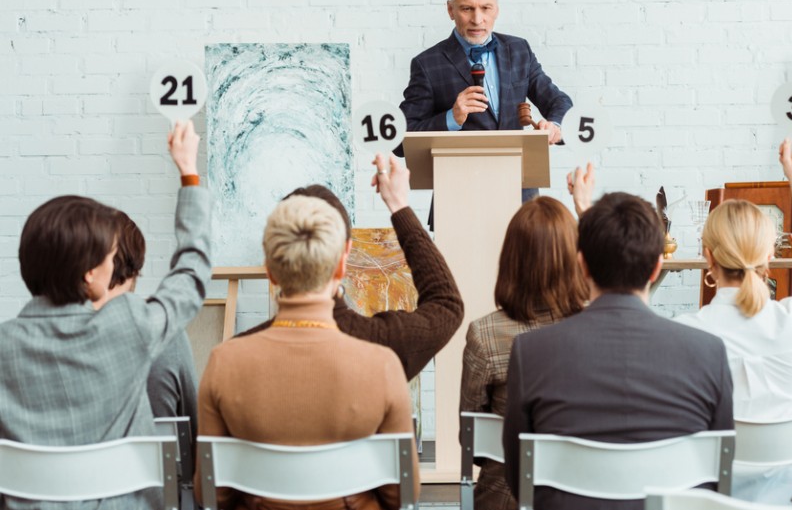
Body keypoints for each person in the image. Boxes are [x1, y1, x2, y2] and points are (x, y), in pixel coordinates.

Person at [0, 120, 211, 510]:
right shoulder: (128, 325)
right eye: (112, 257)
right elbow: (191, 276)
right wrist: (188, 174)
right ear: (91, 274)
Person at [502, 191, 734, 510]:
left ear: (581, 265)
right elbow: (719, 480)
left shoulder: (530, 352)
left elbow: (519, 479)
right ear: (656, 268)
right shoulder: (709, 353)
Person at [197, 189, 418, 510]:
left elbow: (211, 494)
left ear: (270, 269)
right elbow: (402, 494)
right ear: (343, 264)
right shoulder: (382, 365)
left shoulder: (224, 362)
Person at [674, 133, 792, 503]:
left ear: (708, 257)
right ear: (769, 259)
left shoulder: (685, 335)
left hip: (710, 499)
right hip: (789, 496)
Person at [239, 153, 464, 381]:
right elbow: (446, 304)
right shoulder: (380, 347)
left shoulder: (231, 360)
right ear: (344, 259)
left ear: (270, 270)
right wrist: (399, 205)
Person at [399, 0, 573, 204]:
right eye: (466, 8)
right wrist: (452, 117)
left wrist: (553, 126)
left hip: (521, 198)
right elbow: (401, 140)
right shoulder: (427, 64)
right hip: (458, 200)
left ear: (496, 10)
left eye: (485, 8)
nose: (477, 19)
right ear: (450, 10)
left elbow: (559, 101)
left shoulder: (519, 50)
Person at [460, 197, 589, 510]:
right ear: (575, 259)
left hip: (504, 497)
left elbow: (472, 443)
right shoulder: (596, 332)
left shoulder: (484, 335)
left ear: (511, 260)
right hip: (580, 492)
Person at [94, 210, 201, 480]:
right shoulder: (167, 336)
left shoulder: (52, 343)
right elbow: (194, 437)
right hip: (161, 493)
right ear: (136, 268)